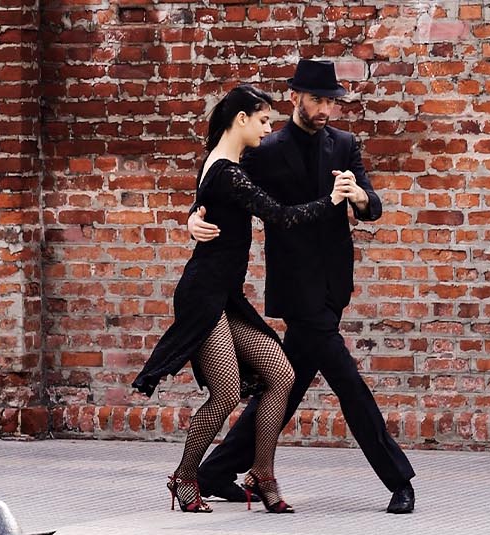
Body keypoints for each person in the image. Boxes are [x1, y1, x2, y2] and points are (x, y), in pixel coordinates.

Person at [188, 59, 417, 514]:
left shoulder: (345, 145)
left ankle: (214, 471)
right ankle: (398, 479)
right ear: (296, 97)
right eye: (318, 99)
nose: (326, 109)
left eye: (332, 100)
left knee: (285, 385)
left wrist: (361, 198)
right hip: (297, 288)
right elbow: (221, 178)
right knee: (348, 382)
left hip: (334, 285)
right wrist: (194, 215)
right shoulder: (266, 148)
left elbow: (374, 206)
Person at [131, 84, 355, 514]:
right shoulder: (228, 172)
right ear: (242, 120)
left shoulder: (224, 162)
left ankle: (261, 473)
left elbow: (203, 203)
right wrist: (331, 201)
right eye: (264, 120)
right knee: (226, 392)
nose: (269, 129)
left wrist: (191, 218)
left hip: (224, 295)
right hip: (204, 295)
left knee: (280, 375)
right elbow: (282, 216)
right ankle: (184, 477)